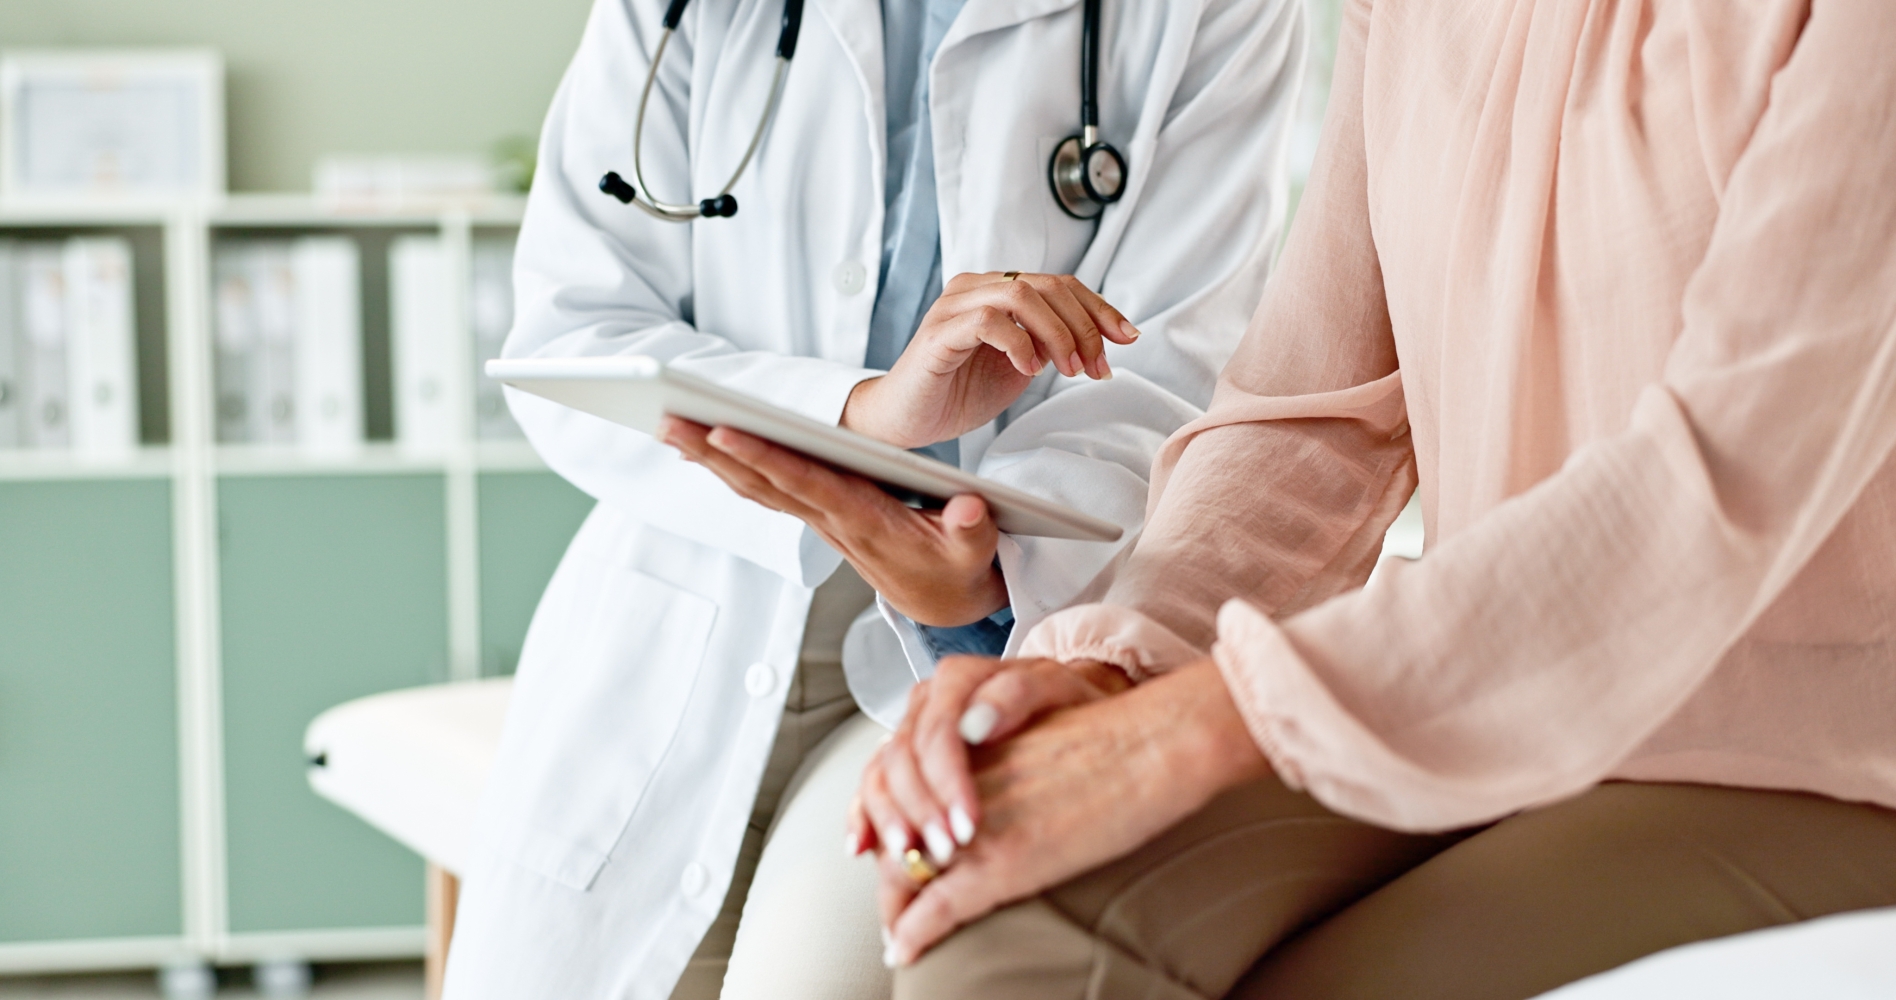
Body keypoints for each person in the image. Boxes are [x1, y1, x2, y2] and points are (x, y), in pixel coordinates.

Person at [824, 0, 1896, 996]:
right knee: (1006, 930)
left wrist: (1189, 729)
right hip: (1475, 701)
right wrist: (1107, 668)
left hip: (1793, 753)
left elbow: (1715, 484)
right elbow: (1313, 416)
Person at [439, 0, 1308, 994]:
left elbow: (1167, 370)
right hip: (686, 609)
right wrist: (862, 416)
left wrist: (982, 581)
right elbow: (571, 336)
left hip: (983, 641)